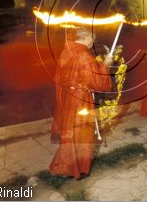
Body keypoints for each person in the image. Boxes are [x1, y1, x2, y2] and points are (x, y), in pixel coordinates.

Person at [49, 27, 113, 179]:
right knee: (80, 134)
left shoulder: (68, 50)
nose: (94, 41)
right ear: (86, 37)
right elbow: (98, 83)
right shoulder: (83, 55)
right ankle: (72, 168)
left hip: (69, 95)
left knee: (71, 133)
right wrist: (105, 65)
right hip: (80, 101)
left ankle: (68, 165)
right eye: (93, 38)